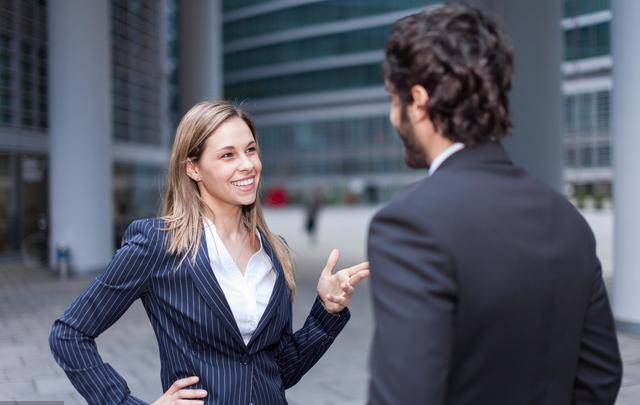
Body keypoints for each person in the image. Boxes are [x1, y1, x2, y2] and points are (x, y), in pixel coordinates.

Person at [367, 5, 622, 405]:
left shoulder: (408, 225)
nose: (392, 114)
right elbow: (601, 377)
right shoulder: (566, 218)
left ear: (417, 101)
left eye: (392, 98)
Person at [49, 101, 370, 405]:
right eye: (228, 155)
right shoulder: (158, 244)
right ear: (193, 169)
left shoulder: (274, 250)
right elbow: (69, 333)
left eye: (251, 150)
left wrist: (326, 311)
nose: (247, 165)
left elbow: (279, 370)